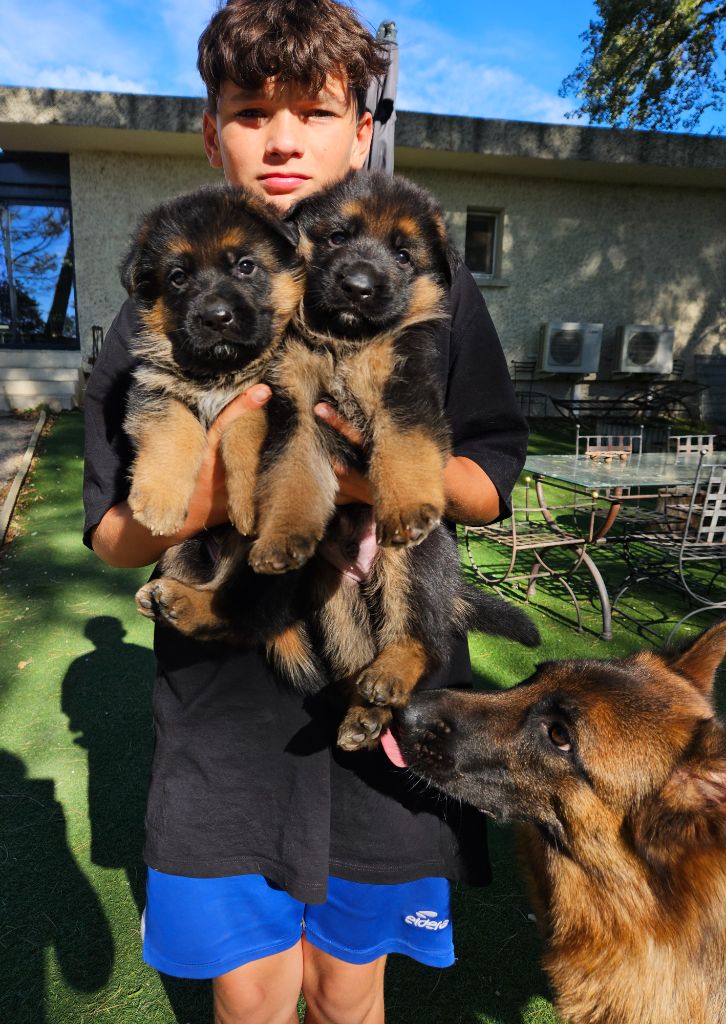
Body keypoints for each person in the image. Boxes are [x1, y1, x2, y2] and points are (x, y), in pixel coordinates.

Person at [83, 2, 529, 1022]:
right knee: (254, 1002)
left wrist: (371, 477)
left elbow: (492, 473)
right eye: (250, 112)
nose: (283, 138)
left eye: (315, 111)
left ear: (363, 129)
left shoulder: (420, 288)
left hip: (377, 714)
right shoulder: (161, 297)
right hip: (224, 737)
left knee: (348, 994)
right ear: (209, 129)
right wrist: (200, 493)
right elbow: (114, 534)